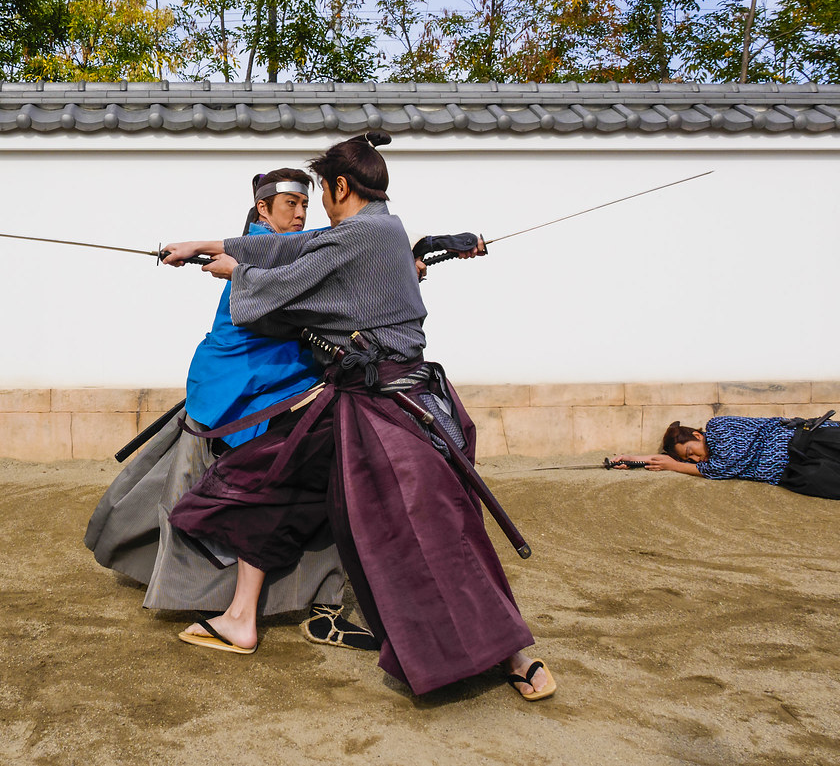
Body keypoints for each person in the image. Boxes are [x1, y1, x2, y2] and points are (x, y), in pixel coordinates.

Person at [160, 132, 555, 700]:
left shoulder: (366, 235)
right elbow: (295, 251)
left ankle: (512, 651)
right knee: (274, 482)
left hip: (392, 408)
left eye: (315, 194)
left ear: (340, 186)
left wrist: (234, 273)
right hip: (347, 399)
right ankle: (240, 618)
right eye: (294, 202)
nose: (310, 207)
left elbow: (295, 268)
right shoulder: (375, 232)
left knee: (433, 523)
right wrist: (204, 245)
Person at [85, 168, 377, 650]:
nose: (301, 214)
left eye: (305, 204)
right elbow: (308, 294)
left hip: (280, 390)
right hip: (239, 396)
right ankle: (241, 608)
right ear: (263, 209)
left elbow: (337, 257)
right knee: (248, 499)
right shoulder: (263, 253)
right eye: (290, 205)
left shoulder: (281, 249)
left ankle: (277, 605)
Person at [614, 413, 840, 499]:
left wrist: (676, 466)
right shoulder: (704, 463)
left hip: (811, 442)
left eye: (691, 452)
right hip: (797, 471)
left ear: (697, 435)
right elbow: (678, 464)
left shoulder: (718, 426)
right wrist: (635, 459)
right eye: (688, 459)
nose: (695, 461)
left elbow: (724, 467)